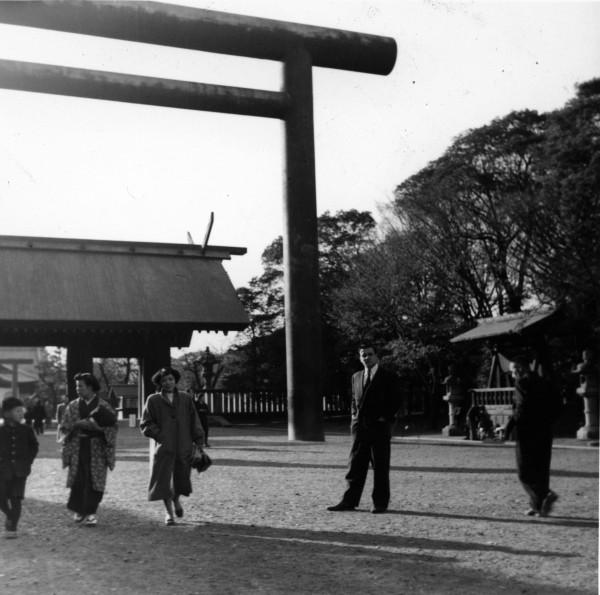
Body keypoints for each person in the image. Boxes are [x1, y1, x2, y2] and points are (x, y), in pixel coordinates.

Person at [328, 343, 402, 514]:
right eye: (363, 355)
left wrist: (385, 418)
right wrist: (354, 416)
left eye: (369, 354)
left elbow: (396, 400)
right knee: (355, 465)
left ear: (377, 356)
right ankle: (349, 501)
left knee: (380, 467)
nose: (366, 358)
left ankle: (380, 503)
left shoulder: (388, 377)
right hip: (360, 428)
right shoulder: (356, 376)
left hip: (379, 427)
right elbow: (354, 399)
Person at [140, 366, 205, 526]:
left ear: (175, 380)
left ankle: (176, 501)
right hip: (164, 448)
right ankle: (168, 513)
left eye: (170, 379)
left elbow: (194, 420)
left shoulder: (185, 399)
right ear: (159, 383)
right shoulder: (153, 400)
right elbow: (146, 423)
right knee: (164, 480)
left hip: (184, 446)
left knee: (181, 479)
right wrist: (160, 435)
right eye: (164, 380)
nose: (168, 383)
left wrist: (199, 441)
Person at [59, 372, 117, 527]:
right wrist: (76, 426)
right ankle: (79, 510)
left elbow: (112, 427)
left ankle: (91, 512)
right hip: (78, 447)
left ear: (90, 387)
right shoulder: (72, 406)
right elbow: (64, 427)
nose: (78, 389)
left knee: (95, 480)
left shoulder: (103, 405)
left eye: (81, 386)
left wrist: (98, 428)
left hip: (97, 447)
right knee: (79, 479)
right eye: (77, 386)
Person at [510, 356, 559, 517]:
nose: (513, 374)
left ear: (518, 370)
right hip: (545, 428)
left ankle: (543, 494)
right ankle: (537, 505)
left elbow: (521, 407)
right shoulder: (543, 381)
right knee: (541, 467)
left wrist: (509, 426)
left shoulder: (522, 383)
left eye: (513, 371)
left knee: (524, 469)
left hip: (527, 430)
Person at [0, 396, 39, 538]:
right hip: (2, 471)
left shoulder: (26, 429)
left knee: (16, 499)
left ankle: (12, 528)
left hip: (20, 471)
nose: (21, 413)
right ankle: (9, 515)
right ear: (6, 413)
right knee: (1, 497)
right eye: (17, 411)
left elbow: (34, 446)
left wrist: (28, 461)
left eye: (22, 411)